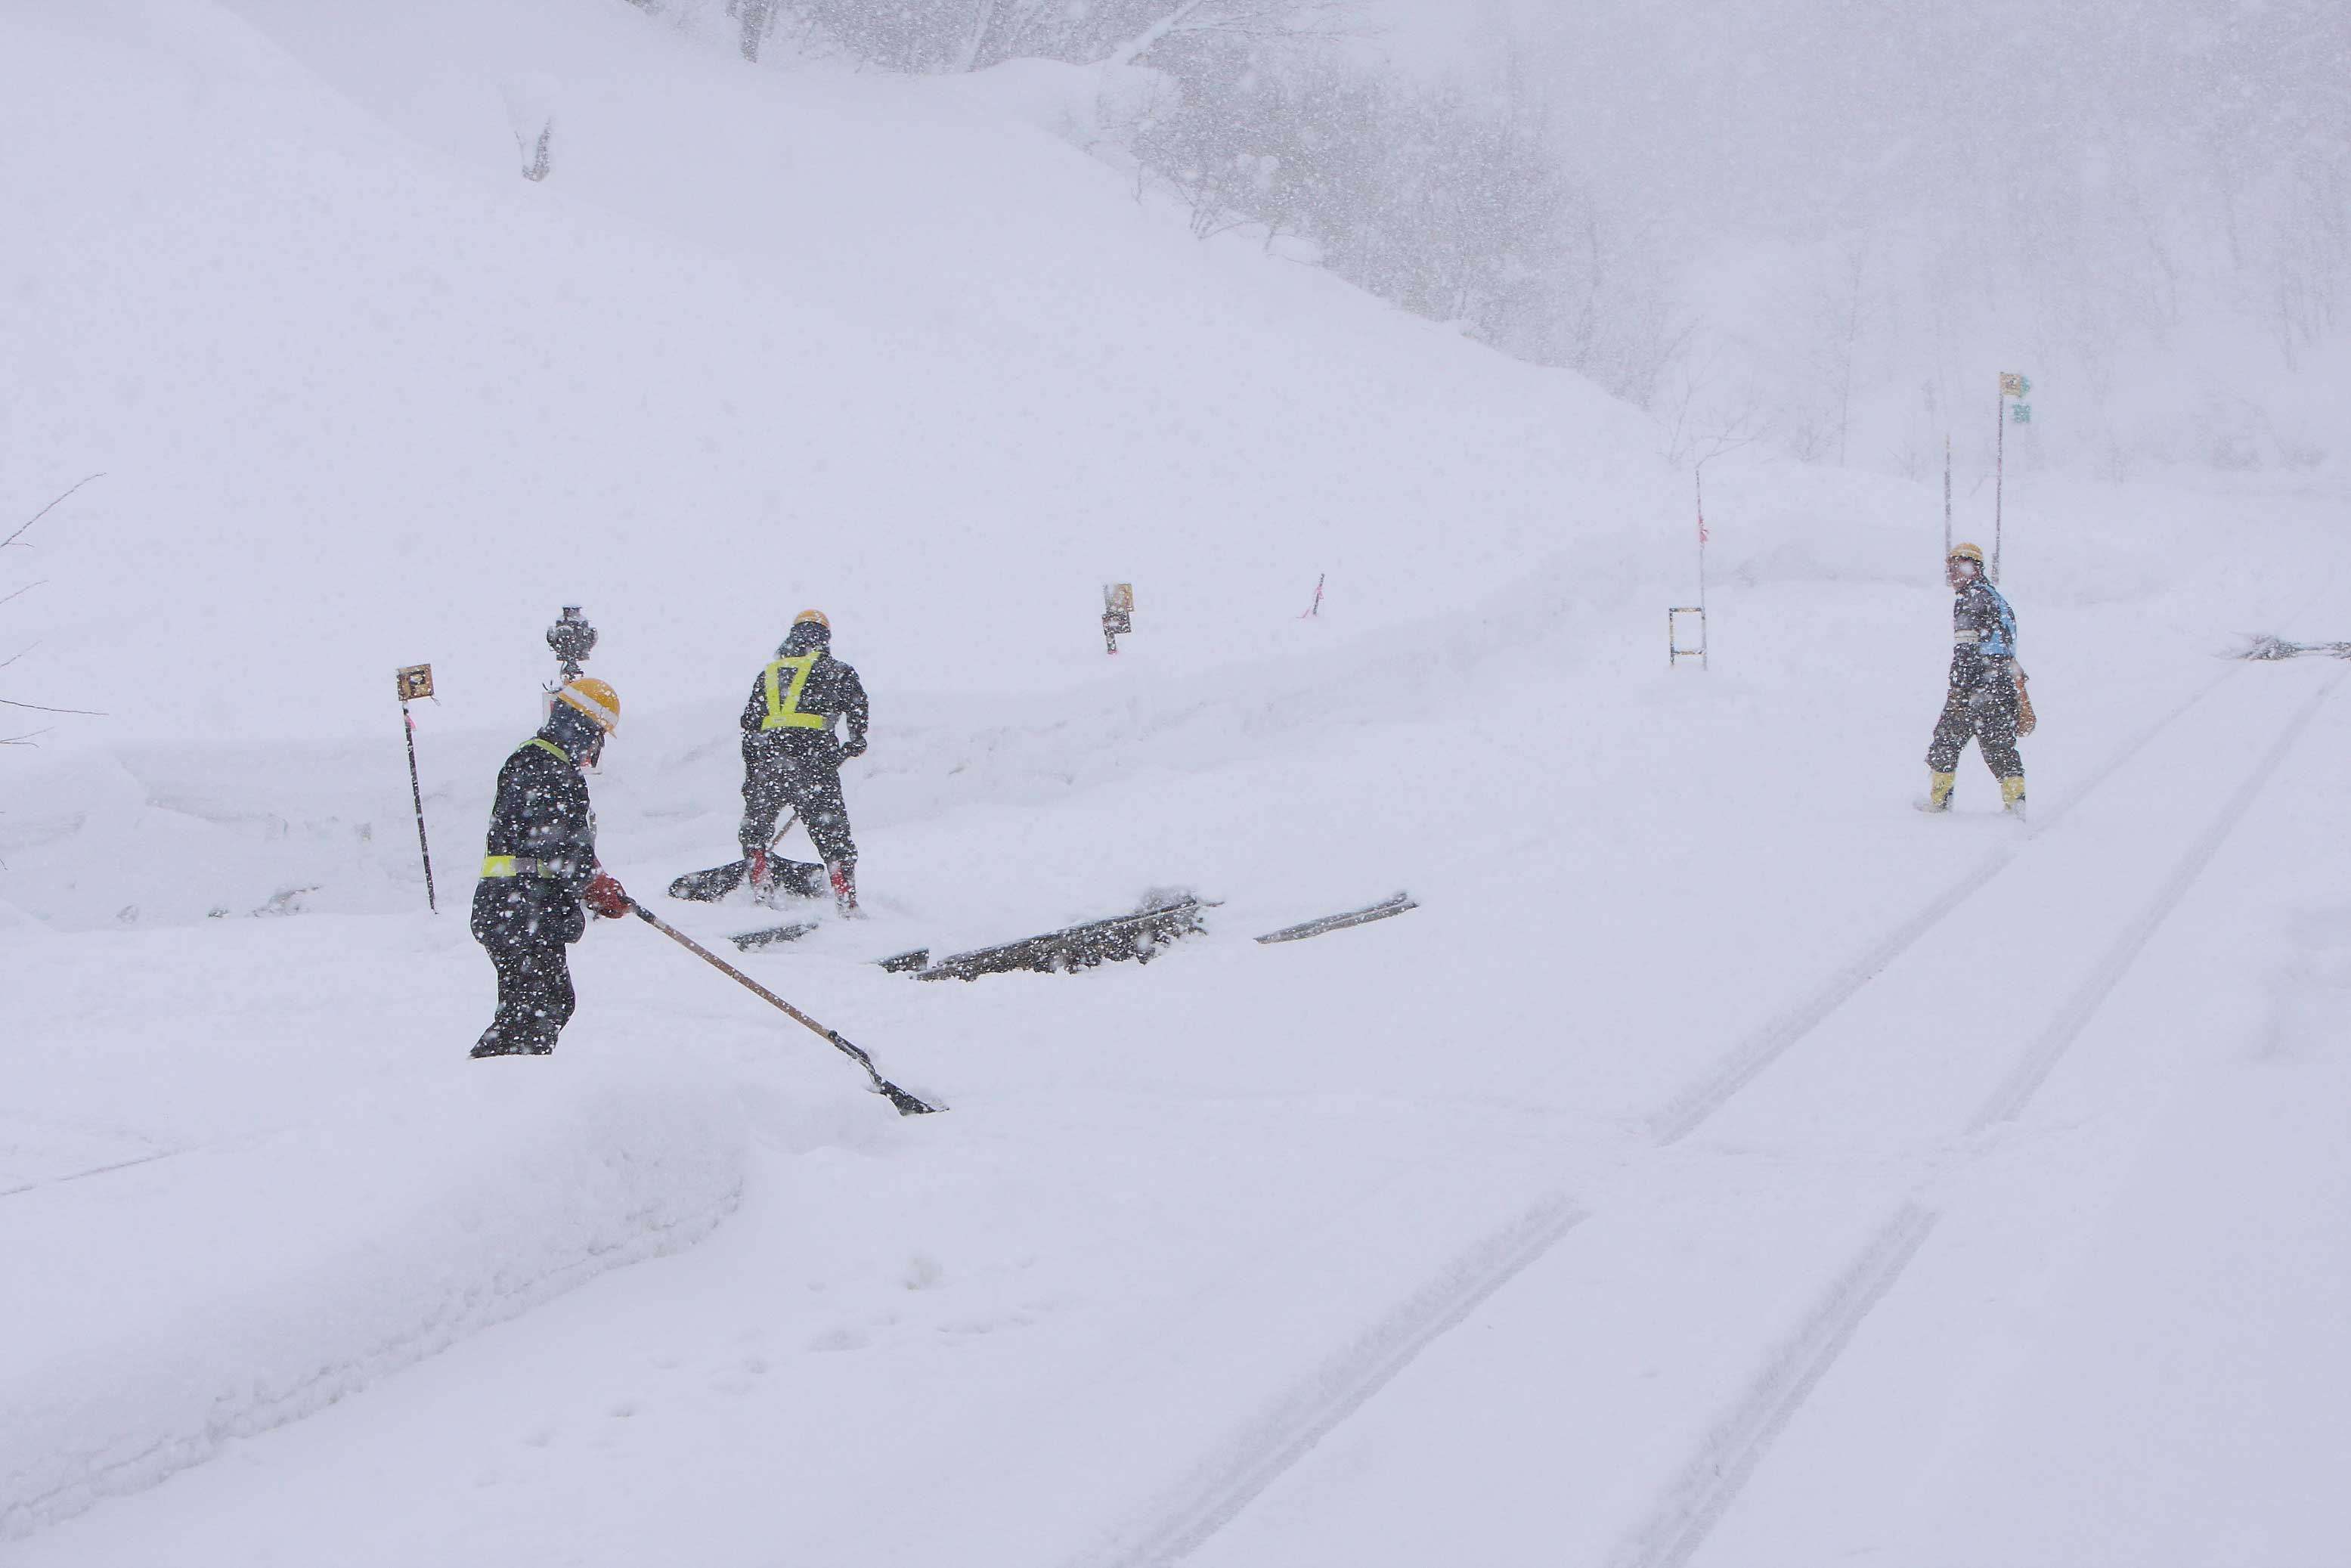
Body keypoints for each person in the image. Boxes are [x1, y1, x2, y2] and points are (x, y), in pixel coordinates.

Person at [469, 678, 629, 1058]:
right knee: (534, 1014)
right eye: (597, 737)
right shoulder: (542, 765)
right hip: (519, 910)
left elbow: (565, 843)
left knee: (549, 1003)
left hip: (525, 910)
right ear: (582, 727)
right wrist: (593, 883)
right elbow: (558, 842)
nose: (596, 748)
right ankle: (499, 1087)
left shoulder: (547, 765)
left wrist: (595, 878)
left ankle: (505, 1078)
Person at [739, 609, 869, 913]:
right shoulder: (836, 670)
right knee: (832, 833)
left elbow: (749, 724)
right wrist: (855, 740)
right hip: (814, 763)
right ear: (824, 638)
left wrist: (753, 774)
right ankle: (845, 897)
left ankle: (761, 885)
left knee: (755, 832)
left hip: (768, 763)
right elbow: (857, 706)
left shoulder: (769, 674)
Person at [1921, 542, 2029, 816]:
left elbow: (1966, 650)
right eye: (1950, 569)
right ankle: (2016, 803)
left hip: (1976, 684)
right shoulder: (1997, 599)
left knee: (1945, 741)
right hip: (2002, 682)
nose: (1953, 575)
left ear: (1973, 567)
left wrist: (1958, 689)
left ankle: (1939, 802)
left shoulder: (1970, 600)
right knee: (2000, 745)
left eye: (1957, 567)